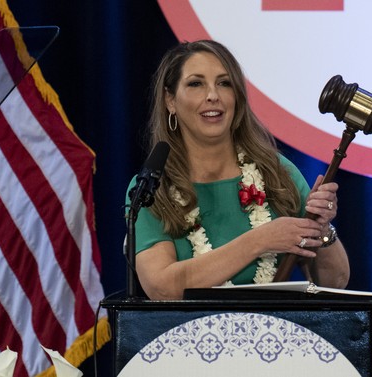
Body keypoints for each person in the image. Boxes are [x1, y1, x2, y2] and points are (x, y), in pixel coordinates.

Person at [125, 40, 349, 300]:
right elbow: (161, 288)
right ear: (170, 100)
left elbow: (336, 282)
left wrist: (323, 233)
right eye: (196, 84)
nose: (213, 95)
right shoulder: (151, 188)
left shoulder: (276, 173)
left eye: (224, 83)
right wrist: (260, 240)